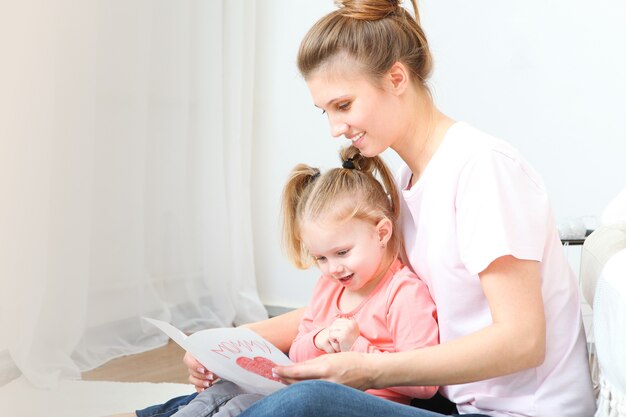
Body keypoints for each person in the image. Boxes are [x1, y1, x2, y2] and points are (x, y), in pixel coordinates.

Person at [184, 0, 596, 416]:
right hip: (456, 402)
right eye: (324, 111)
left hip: (517, 413)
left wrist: (370, 370)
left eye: (343, 105)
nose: (335, 129)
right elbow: (360, 300)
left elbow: (522, 341)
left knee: (308, 402)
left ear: (396, 77)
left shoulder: (482, 169)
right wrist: (225, 342)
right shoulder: (406, 182)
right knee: (234, 393)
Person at [119, 145, 439, 417]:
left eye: (342, 252)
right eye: (321, 258)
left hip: (353, 406)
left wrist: (357, 348)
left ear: (381, 232)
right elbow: (298, 352)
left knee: (259, 404)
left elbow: (425, 385)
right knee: (229, 390)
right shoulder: (330, 288)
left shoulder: (404, 293)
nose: (333, 268)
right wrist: (317, 340)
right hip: (304, 389)